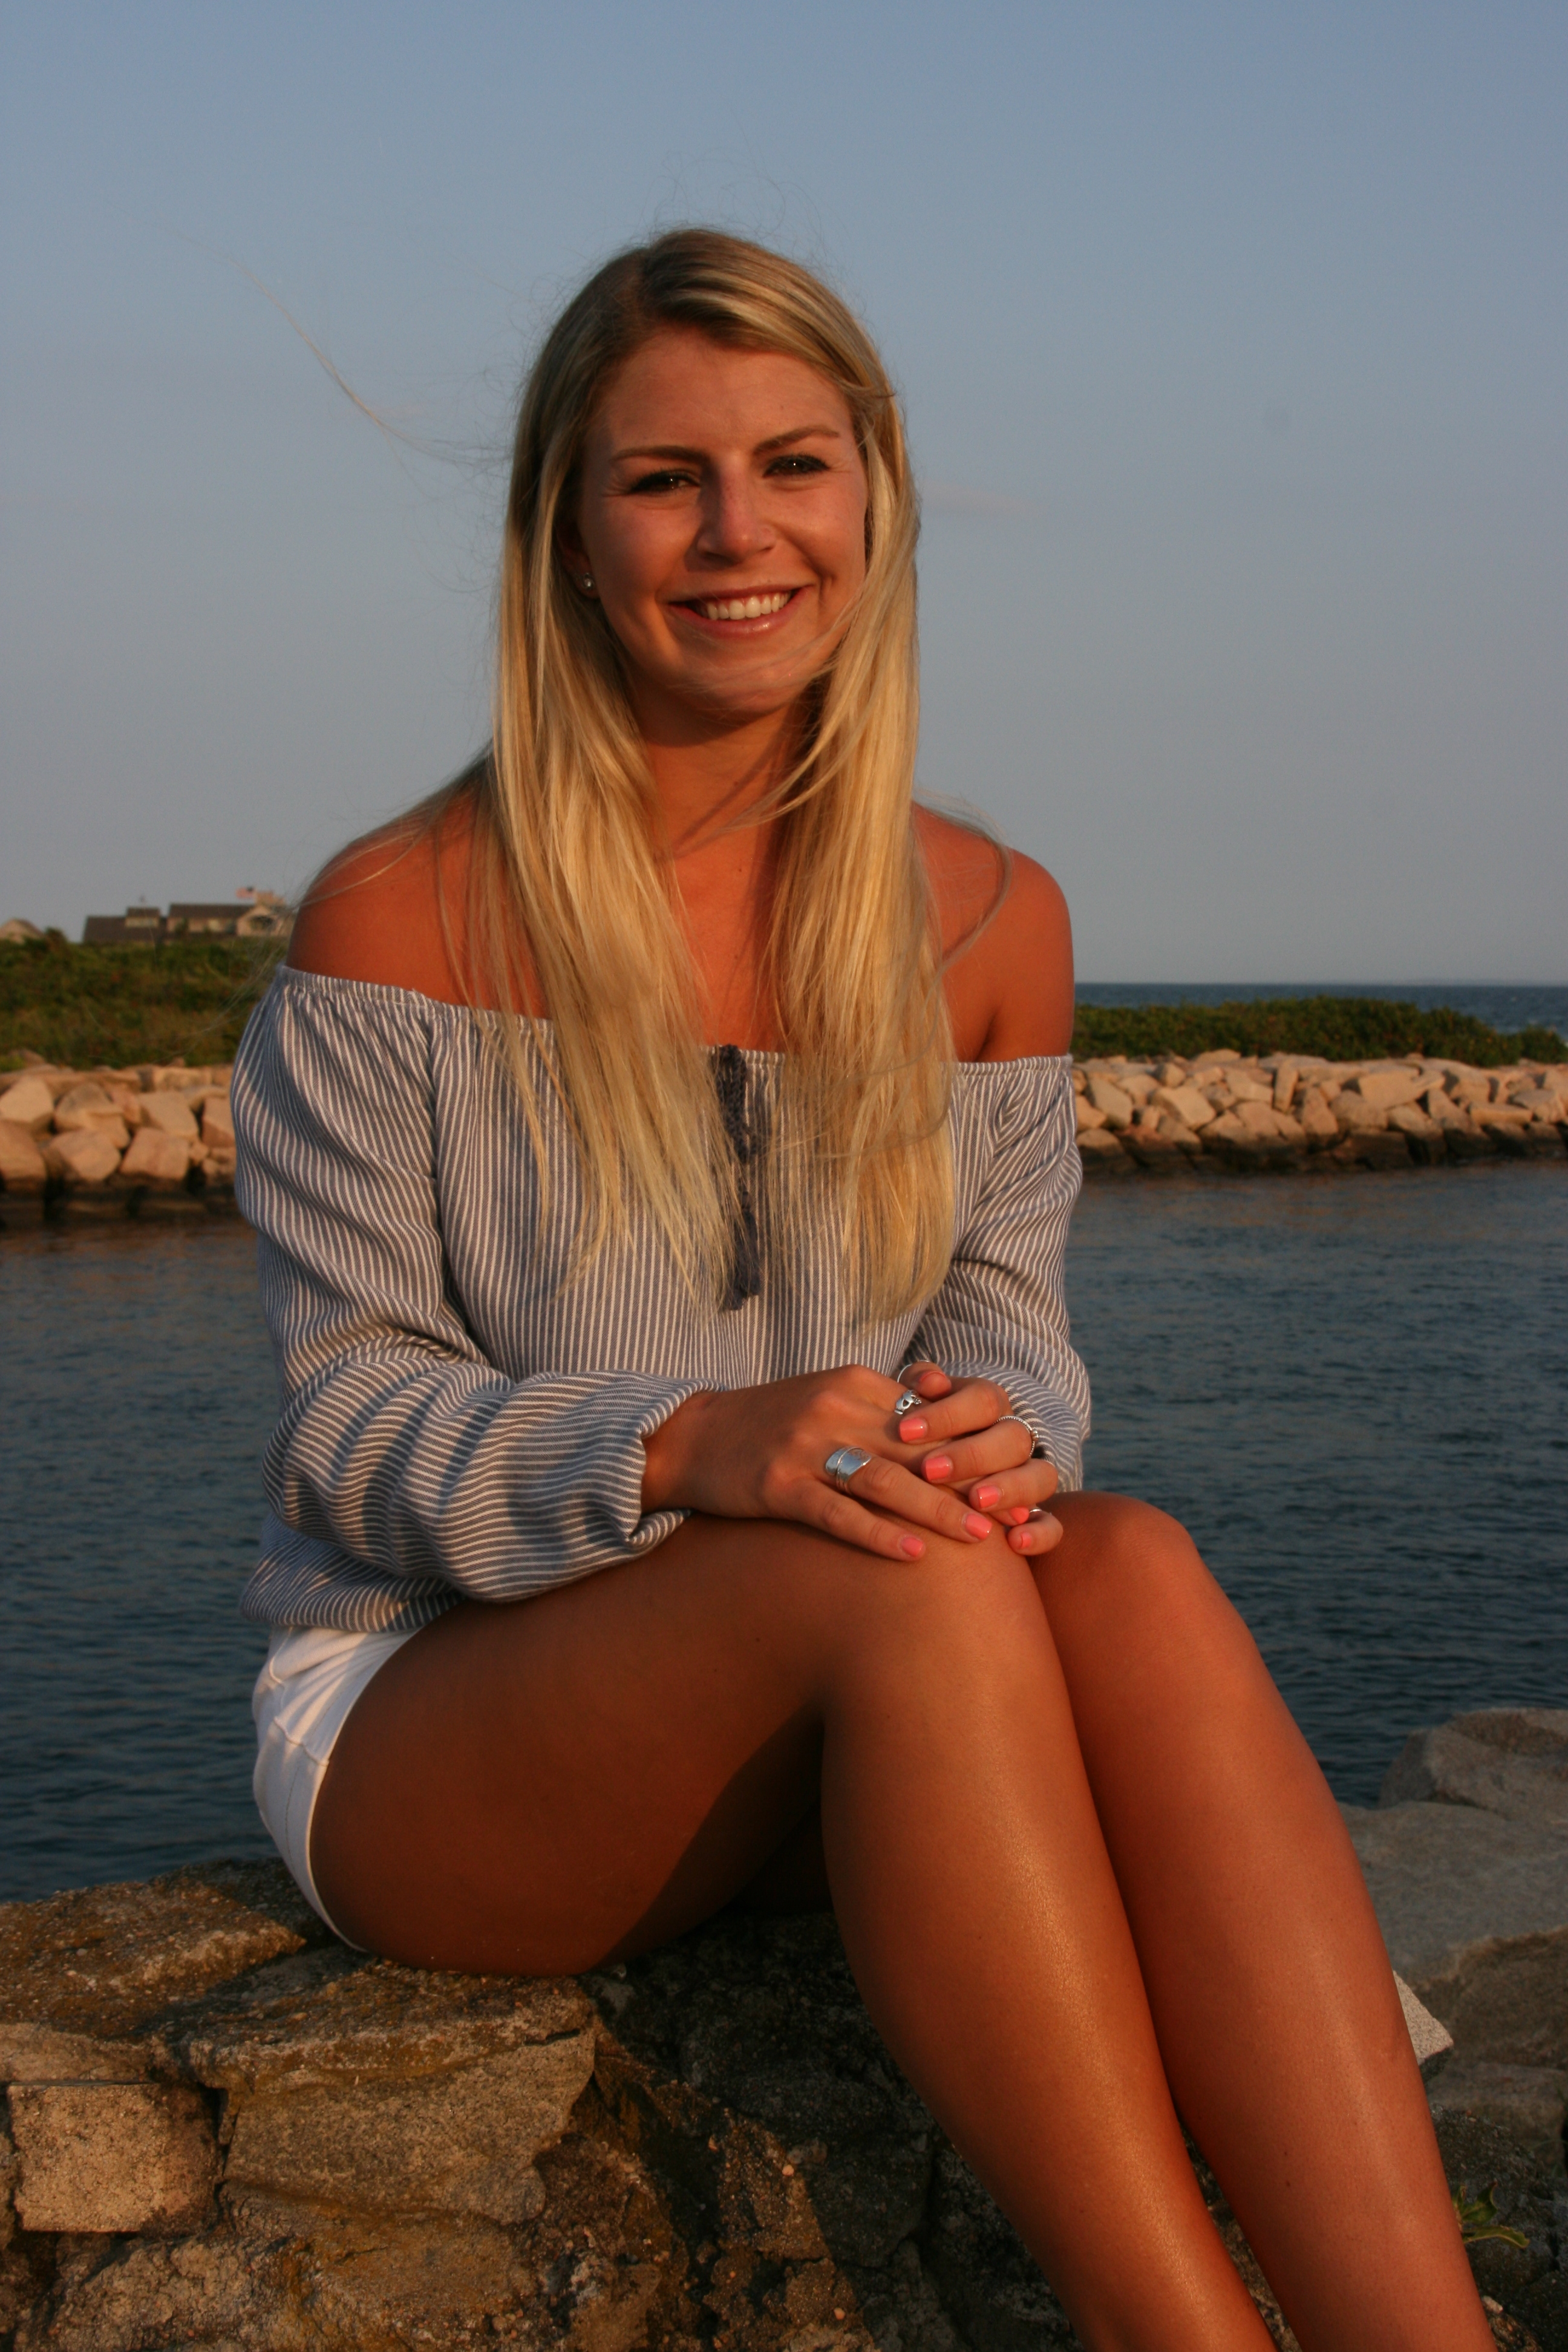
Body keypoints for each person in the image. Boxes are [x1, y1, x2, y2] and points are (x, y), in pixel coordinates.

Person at [234, 229, 1491, 2351]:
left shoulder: (991, 920)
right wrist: (685, 1442)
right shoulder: (399, 917)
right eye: (665, 480)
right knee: (903, 1579)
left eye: (792, 464)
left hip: (853, 1704)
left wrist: (1006, 1436)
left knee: (1129, 1564)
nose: (741, 532)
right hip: (442, 1713)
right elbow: (343, 1428)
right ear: (567, 536)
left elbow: (1010, 1332)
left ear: (876, 494)